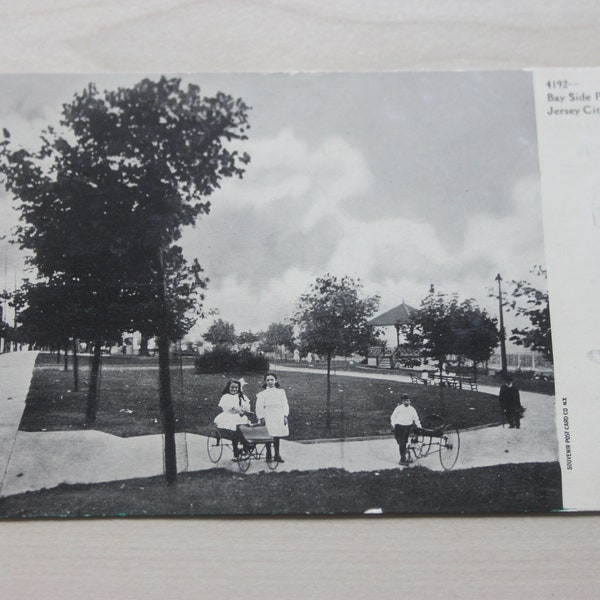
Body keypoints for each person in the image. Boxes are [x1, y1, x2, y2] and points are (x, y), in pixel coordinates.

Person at [256, 372, 289, 463]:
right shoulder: (262, 394)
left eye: (272, 380)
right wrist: (261, 417)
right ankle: (268, 454)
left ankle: (277, 455)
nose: (270, 382)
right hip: (268, 415)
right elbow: (259, 406)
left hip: (278, 414)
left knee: (277, 435)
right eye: (268, 380)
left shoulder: (281, 392)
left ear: (276, 381)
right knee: (268, 435)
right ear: (265, 382)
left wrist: (285, 415)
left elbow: (285, 404)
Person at [214, 379, 252, 458]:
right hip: (228, 416)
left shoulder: (242, 396)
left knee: (245, 428)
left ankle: (246, 445)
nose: (234, 389)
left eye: (236, 388)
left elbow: (247, 406)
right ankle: (236, 449)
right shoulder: (226, 397)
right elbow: (230, 407)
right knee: (235, 429)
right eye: (232, 387)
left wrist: (246, 410)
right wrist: (238, 410)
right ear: (228, 388)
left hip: (240, 416)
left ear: (239, 388)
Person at [390, 393, 422, 465]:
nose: (406, 402)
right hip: (399, 427)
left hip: (407, 427)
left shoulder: (412, 409)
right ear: (402, 401)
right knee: (402, 443)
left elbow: (416, 418)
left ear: (410, 401)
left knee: (404, 443)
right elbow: (393, 417)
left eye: (408, 401)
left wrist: (419, 426)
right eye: (405, 401)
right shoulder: (399, 408)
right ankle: (402, 460)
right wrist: (394, 424)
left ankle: (403, 458)